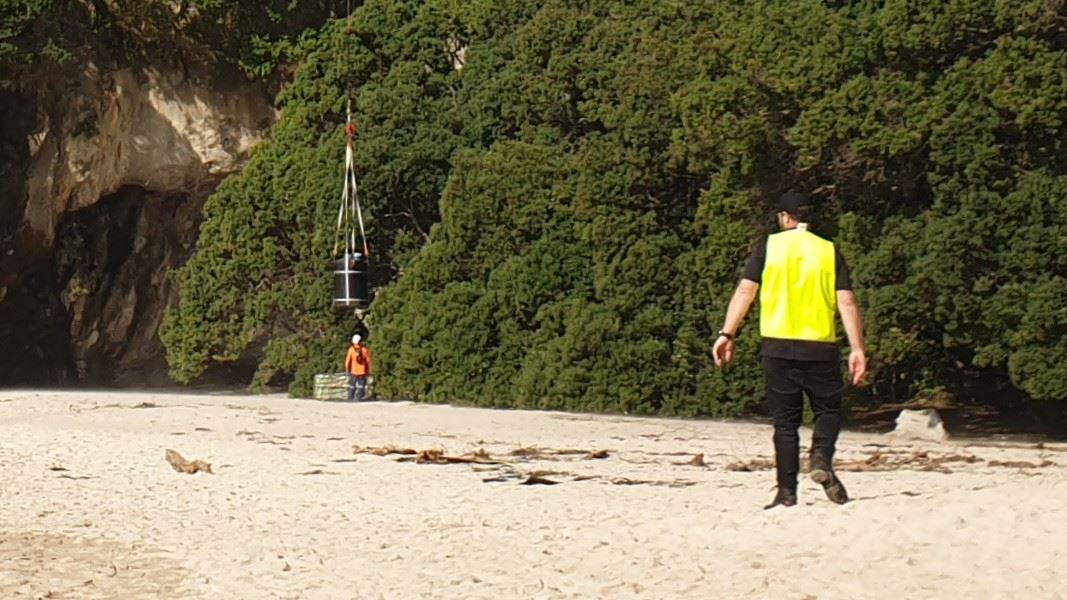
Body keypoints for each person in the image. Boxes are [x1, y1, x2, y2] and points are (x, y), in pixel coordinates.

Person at [713, 191, 867, 509]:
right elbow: (846, 301)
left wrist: (727, 333)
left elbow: (746, 290)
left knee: (785, 424)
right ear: (808, 218)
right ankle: (821, 456)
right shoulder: (828, 250)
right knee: (828, 410)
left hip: (777, 345)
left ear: (785, 217)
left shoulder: (768, 247)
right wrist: (857, 348)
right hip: (820, 346)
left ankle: (786, 493)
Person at [345, 334, 371, 402]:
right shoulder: (364, 350)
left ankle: (350, 398)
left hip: (354, 371)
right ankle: (359, 398)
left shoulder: (351, 350)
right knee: (361, 386)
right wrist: (368, 371)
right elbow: (368, 361)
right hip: (362, 371)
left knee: (352, 386)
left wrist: (347, 370)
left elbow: (347, 361)